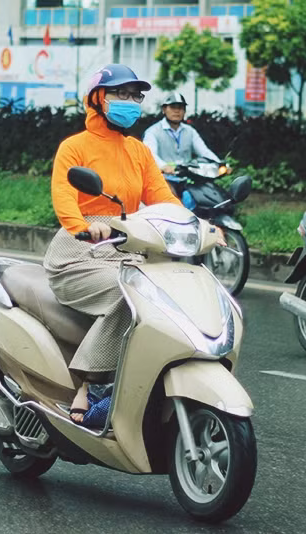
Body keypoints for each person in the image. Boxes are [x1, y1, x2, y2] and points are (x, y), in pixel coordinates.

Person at [45, 65, 190, 425]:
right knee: (131, 294)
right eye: (120, 94)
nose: (130, 102)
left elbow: (161, 196)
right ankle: (90, 387)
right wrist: (83, 227)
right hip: (80, 252)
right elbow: (64, 194)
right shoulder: (74, 147)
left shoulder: (138, 151)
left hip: (127, 248)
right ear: (97, 99)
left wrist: (196, 225)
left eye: (135, 96)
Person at [142, 93, 222, 209]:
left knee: (202, 198)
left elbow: (204, 151)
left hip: (187, 177)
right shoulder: (153, 132)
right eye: (173, 107)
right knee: (169, 206)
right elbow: (149, 154)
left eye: (180, 107)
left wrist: (219, 163)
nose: (177, 111)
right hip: (163, 177)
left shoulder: (190, 131)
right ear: (164, 109)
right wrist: (164, 166)